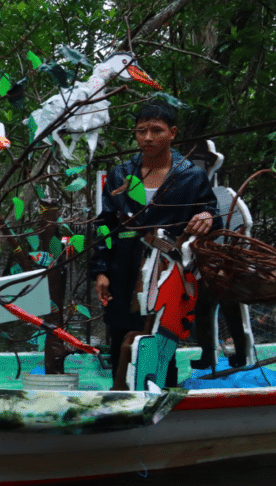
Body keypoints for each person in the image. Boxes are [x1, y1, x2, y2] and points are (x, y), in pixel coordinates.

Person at [89, 101, 221, 389]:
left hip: (167, 273)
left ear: (172, 133)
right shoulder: (121, 175)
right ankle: (121, 399)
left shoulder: (189, 176)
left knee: (162, 339)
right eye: (141, 130)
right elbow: (105, 224)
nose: (148, 137)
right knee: (121, 334)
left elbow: (213, 215)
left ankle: (161, 400)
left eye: (156, 130)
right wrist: (100, 271)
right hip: (123, 268)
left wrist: (207, 215)